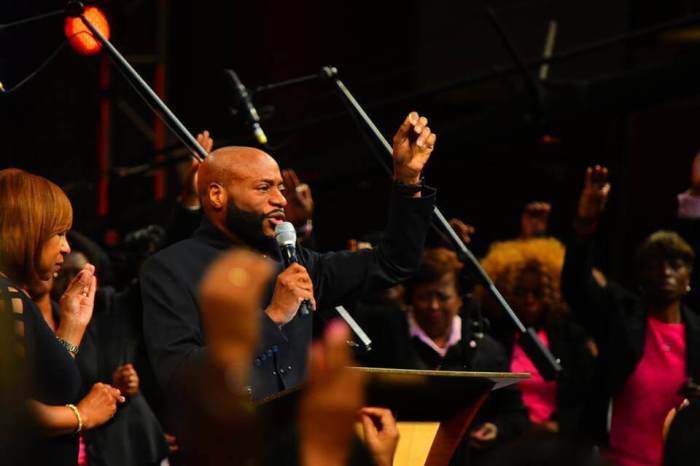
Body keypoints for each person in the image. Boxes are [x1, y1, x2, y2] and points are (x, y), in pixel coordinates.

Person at [141, 111, 438, 404]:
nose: (281, 199)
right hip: (227, 446)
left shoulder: (297, 263)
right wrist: (272, 318)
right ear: (218, 196)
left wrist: (407, 181)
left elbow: (393, 262)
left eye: (280, 188)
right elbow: (180, 376)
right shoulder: (169, 270)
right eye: (264, 188)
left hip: (295, 444)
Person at [561, 165, 700, 466]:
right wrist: (585, 224)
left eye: (675, 265)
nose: (664, 272)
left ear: (689, 277)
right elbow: (575, 286)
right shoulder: (620, 316)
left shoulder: (697, 332)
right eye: (654, 264)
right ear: (640, 277)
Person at [356, 247, 529, 465]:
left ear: (460, 299)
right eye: (424, 297)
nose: (433, 306)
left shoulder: (486, 349)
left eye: (443, 296)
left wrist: (496, 428)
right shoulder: (385, 336)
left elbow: (515, 414)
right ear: (410, 298)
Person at [0, 168, 124, 466]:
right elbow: (11, 411)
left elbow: (42, 388)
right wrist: (83, 415)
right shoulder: (6, 298)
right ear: (25, 229)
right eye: (59, 233)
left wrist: (71, 327)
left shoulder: (13, 296)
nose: (66, 248)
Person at [477, 237, 595, 437]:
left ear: (551, 294)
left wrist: (561, 427)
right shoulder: (493, 338)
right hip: (504, 440)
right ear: (507, 293)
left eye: (537, 293)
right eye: (522, 292)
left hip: (556, 440)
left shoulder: (569, 336)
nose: (530, 300)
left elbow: (586, 395)